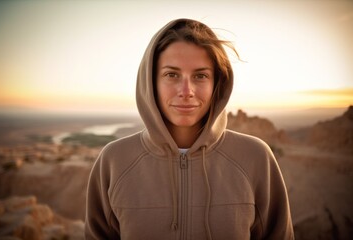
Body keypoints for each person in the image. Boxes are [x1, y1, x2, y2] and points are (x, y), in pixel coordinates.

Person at [85, 18, 294, 239]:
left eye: (200, 76)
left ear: (217, 84)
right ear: (150, 82)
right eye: (171, 74)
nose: (186, 91)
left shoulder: (255, 157)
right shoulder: (115, 160)